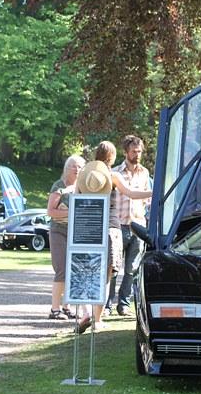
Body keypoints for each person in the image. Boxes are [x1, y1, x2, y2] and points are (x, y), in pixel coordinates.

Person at [76, 141, 152, 330]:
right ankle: (97, 319)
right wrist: (156, 192)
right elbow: (132, 194)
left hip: (88, 228)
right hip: (111, 228)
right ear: (111, 157)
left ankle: (86, 313)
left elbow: (75, 201)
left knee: (86, 272)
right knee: (106, 275)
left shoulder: (84, 177)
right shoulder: (113, 176)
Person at [107, 135, 151, 316]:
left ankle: (124, 304)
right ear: (126, 152)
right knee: (113, 267)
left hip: (138, 225)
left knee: (131, 269)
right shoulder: (116, 172)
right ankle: (107, 304)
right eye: (134, 151)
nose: (137, 154)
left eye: (140, 151)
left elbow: (147, 200)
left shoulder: (145, 173)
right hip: (119, 225)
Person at [46, 155, 85, 321]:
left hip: (75, 233)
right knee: (61, 269)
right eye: (73, 166)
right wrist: (72, 212)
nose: (77, 170)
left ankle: (66, 307)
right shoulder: (59, 186)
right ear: (66, 168)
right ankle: (54, 309)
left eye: (80, 167)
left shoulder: (83, 187)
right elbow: (51, 211)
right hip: (58, 232)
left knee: (73, 270)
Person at [183, 141, 201, 215]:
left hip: (189, 220)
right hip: (177, 219)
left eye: (185, 151)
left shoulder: (200, 172)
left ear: (190, 153)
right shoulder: (181, 171)